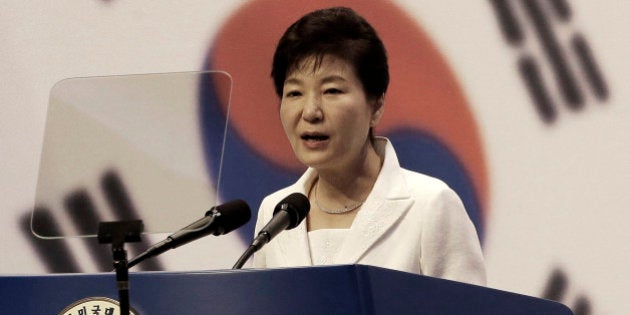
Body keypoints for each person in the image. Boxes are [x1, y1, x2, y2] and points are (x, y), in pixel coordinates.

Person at [252, 6, 486, 286]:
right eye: (294, 93)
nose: (310, 111)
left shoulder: (430, 206)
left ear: (376, 105)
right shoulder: (276, 213)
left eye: (332, 91)